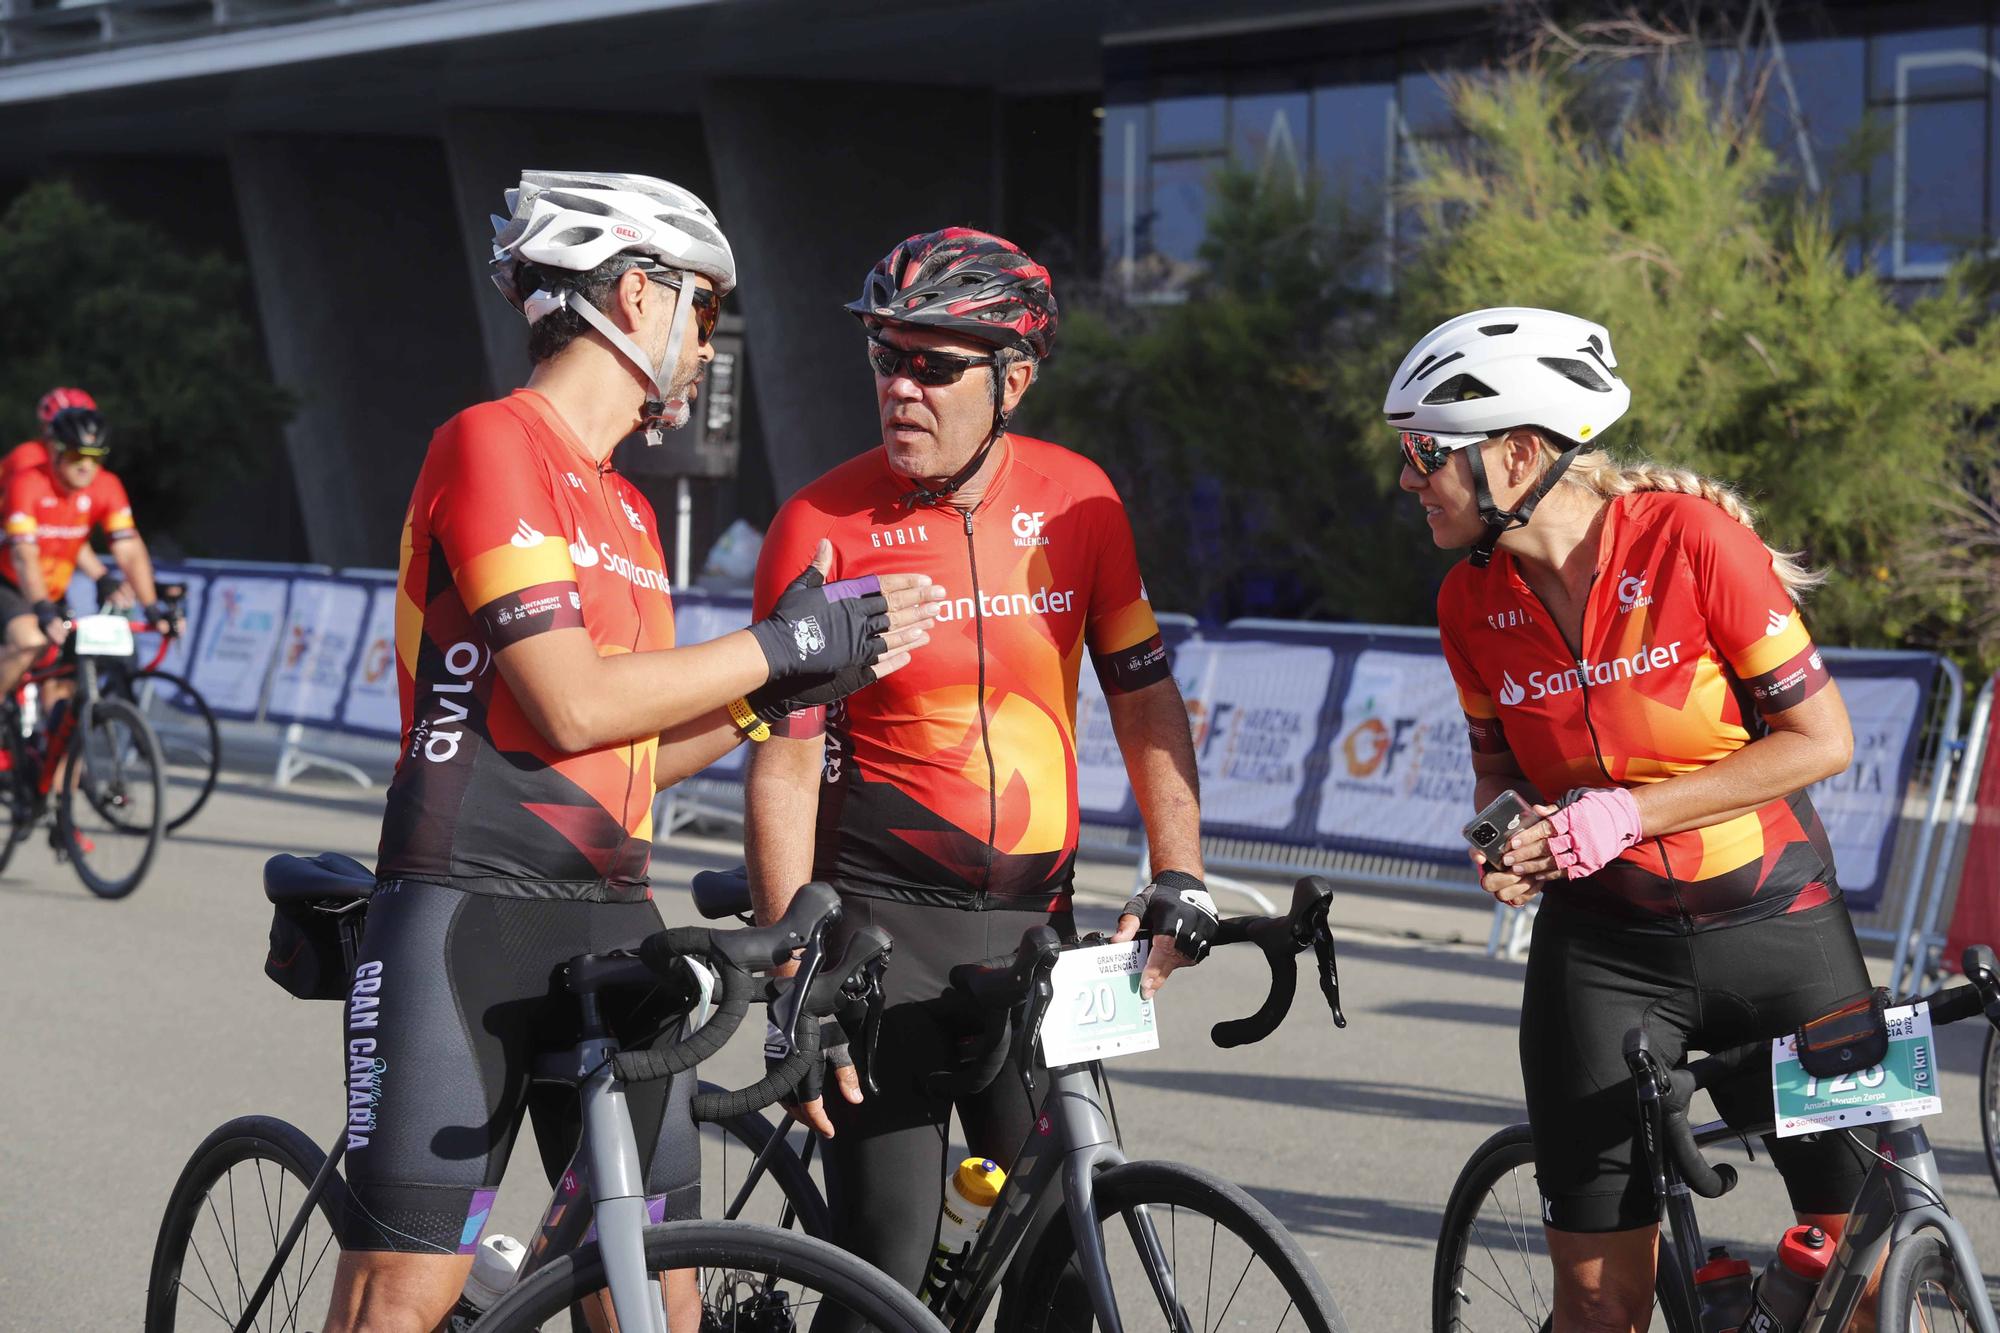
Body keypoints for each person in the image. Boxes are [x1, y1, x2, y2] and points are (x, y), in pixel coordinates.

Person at [322, 171, 941, 1333]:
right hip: (466, 913)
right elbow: (566, 705)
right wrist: (778, 641)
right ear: (638, 295)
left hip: (611, 916)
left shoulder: (627, 509)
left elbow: (628, 755)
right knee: (400, 1300)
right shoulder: (491, 444)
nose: (711, 344)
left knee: (658, 1296)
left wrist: (788, 689)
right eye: (706, 312)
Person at [744, 227, 1213, 1313]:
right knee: (889, 1264)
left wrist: (1178, 871)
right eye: (885, 359)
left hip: (1038, 934)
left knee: (1057, 1263)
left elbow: (1142, 699)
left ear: (1014, 377)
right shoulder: (818, 524)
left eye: (935, 365)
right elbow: (782, 765)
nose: (901, 388)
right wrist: (790, 965)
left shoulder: (1081, 501)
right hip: (882, 934)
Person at [1391, 308, 1871, 1332]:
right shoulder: (1465, 602)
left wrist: (1629, 812)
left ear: (1515, 455)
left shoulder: (1691, 542)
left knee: (1862, 1272)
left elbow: (1820, 740)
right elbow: (1497, 779)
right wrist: (1509, 845)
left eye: (1422, 453)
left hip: (1774, 930)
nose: (1405, 479)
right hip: (1603, 958)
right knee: (1597, 1300)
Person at [1, 388, 173, 699]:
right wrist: (41, 608)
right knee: (30, 640)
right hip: (12, 573)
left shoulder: (101, 483)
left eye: (95, 456)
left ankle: (62, 743)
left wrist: (148, 606)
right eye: (76, 454)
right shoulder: (26, 466)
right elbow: (26, 550)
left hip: (51, 577)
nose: (86, 465)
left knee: (66, 673)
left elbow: (85, 539)